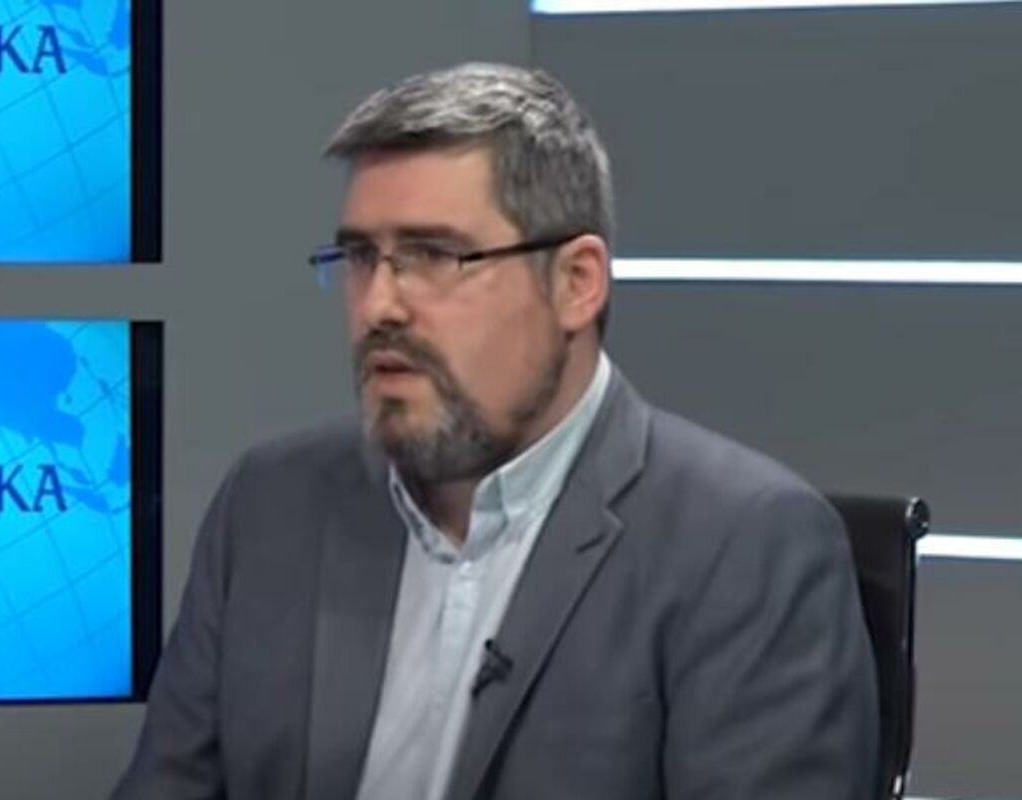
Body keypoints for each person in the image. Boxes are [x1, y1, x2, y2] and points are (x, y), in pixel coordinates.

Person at [111, 62, 878, 800]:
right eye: (361, 257)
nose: (379, 305)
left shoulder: (743, 545)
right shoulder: (272, 505)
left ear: (576, 283)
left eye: (434, 256)